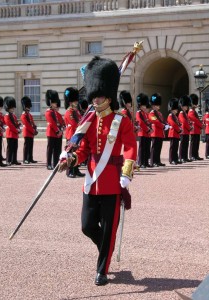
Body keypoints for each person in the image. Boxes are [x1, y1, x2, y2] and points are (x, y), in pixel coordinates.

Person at [59, 56, 137, 286]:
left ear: (108, 96)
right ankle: (105, 246)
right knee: (87, 226)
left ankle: (102, 269)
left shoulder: (121, 121)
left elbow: (131, 147)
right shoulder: (89, 122)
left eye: (99, 95)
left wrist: (127, 172)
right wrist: (71, 159)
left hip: (113, 182)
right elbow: (83, 150)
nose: (96, 98)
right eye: (94, 95)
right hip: (92, 181)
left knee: (110, 229)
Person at [64, 87, 85, 178]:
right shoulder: (69, 112)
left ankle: (76, 169)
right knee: (70, 153)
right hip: (71, 135)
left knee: (76, 153)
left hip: (76, 134)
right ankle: (69, 171)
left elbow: (81, 120)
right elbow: (74, 123)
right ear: (70, 101)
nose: (76, 102)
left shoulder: (76, 111)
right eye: (75, 101)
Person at [148, 93, 169, 167]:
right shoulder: (151, 113)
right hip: (155, 132)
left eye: (158, 105)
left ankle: (157, 161)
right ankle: (153, 161)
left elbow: (163, 120)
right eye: (156, 105)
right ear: (153, 105)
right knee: (154, 148)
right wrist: (163, 126)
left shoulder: (159, 113)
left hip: (160, 133)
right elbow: (155, 121)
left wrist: (166, 124)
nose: (158, 106)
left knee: (159, 148)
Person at [45, 90, 63, 170]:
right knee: (50, 149)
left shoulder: (55, 113)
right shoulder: (48, 112)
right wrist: (57, 131)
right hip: (52, 133)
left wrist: (61, 129)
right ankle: (48, 164)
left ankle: (56, 163)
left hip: (58, 133)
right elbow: (52, 123)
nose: (56, 104)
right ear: (50, 102)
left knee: (57, 149)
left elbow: (61, 122)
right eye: (54, 103)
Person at [135, 93, 152, 168]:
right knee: (142, 149)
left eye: (145, 106)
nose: (145, 107)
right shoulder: (138, 113)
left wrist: (150, 128)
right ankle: (141, 162)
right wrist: (148, 129)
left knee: (147, 148)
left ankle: (145, 162)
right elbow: (141, 123)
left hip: (147, 133)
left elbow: (148, 121)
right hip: (142, 132)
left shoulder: (144, 113)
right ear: (140, 105)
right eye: (143, 106)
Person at [4, 96, 21, 166]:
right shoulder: (7, 116)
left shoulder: (13, 116)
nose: (13, 109)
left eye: (13, 108)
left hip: (15, 134)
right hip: (10, 133)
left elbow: (15, 124)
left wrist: (18, 127)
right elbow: (10, 125)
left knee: (15, 147)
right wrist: (17, 130)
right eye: (11, 108)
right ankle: (8, 160)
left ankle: (14, 160)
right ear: (8, 108)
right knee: (10, 148)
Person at [20, 96, 38, 164]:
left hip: (31, 133)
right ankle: (25, 159)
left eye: (29, 107)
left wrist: (35, 128)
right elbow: (27, 125)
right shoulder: (23, 115)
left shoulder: (29, 115)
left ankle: (30, 158)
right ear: (25, 107)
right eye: (27, 107)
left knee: (30, 146)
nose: (28, 108)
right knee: (26, 146)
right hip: (27, 132)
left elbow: (32, 123)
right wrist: (33, 131)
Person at [188, 93, 203, 160]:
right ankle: (192, 156)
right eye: (195, 103)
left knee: (197, 144)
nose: (196, 105)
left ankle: (196, 155)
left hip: (197, 130)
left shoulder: (194, 111)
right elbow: (195, 120)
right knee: (193, 144)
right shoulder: (191, 111)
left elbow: (197, 120)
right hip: (194, 130)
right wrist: (201, 125)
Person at [167, 98, 182, 165]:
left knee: (176, 147)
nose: (177, 110)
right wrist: (179, 129)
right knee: (173, 148)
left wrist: (180, 128)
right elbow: (173, 124)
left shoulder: (175, 116)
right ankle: (171, 159)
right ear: (172, 109)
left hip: (176, 133)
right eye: (175, 109)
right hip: (173, 133)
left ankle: (175, 159)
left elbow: (178, 124)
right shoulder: (170, 116)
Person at [178, 95, 192, 162]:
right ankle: (181, 157)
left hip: (186, 131)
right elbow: (184, 122)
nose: (187, 107)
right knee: (183, 145)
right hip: (183, 131)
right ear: (182, 106)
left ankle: (185, 157)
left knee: (186, 145)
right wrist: (189, 127)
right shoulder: (181, 113)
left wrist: (190, 124)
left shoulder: (185, 114)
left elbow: (187, 121)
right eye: (186, 106)